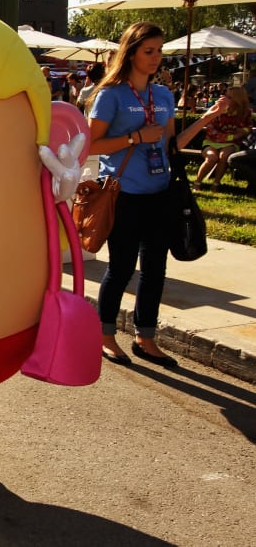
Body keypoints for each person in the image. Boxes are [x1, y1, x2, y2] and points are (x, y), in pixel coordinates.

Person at [87, 21, 178, 368]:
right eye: (149, 51)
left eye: (159, 51)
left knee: (156, 268)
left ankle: (145, 336)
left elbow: (171, 145)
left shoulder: (165, 95)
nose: (155, 58)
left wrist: (206, 120)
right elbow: (92, 145)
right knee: (122, 267)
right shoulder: (111, 95)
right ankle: (105, 333)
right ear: (132, 52)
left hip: (160, 192)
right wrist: (134, 138)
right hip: (123, 192)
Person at [189, 85, 252, 192]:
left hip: (231, 143)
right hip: (212, 140)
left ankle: (216, 183)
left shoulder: (245, 112)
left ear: (237, 100)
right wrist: (231, 136)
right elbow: (211, 129)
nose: (224, 98)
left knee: (224, 156)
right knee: (212, 158)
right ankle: (197, 182)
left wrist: (243, 131)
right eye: (225, 95)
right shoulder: (218, 109)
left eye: (229, 97)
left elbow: (248, 127)